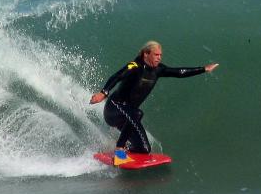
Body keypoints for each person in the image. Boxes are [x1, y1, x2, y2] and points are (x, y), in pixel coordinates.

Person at [89, 40, 218, 165]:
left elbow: (179, 72)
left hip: (129, 117)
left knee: (144, 149)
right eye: (156, 55)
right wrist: (103, 92)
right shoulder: (134, 65)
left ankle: (119, 151)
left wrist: (204, 69)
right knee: (138, 113)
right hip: (114, 109)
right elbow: (117, 76)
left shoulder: (158, 70)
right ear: (146, 54)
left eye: (160, 55)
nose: (159, 58)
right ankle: (119, 149)